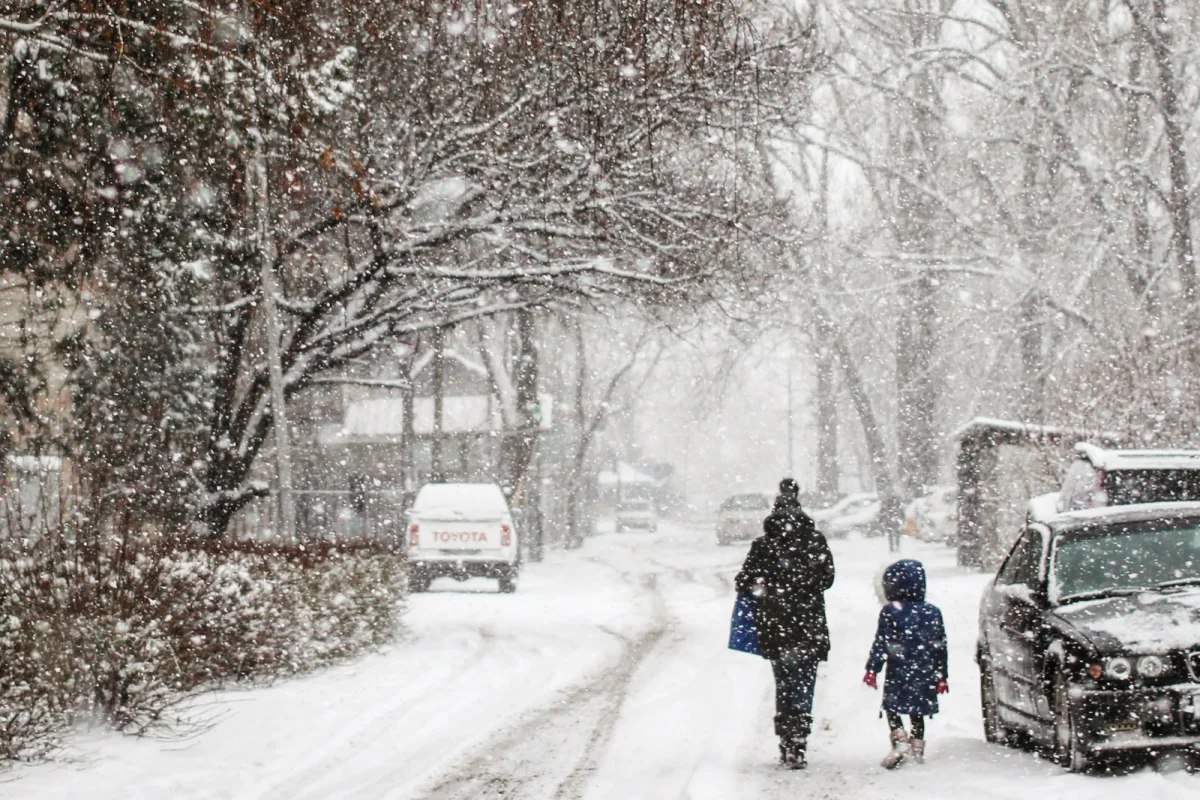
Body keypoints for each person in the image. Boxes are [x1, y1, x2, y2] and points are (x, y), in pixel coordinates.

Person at [735, 478, 836, 770]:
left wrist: (767, 588)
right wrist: (804, 585)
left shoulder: (764, 544)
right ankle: (799, 739)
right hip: (809, 624)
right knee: (804, 682)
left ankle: (786, 739)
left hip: (775, 624)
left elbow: (743, 581)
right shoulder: (815, 541)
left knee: (784, 683)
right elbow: (827, 578)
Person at [862, 559, 948, 769]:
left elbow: (882, 643)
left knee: (893, 706)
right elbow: (940, 646)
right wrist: (941, 674)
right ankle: (917, 747)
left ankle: (899, 738)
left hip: (899, 668)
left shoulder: (891, 611)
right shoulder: (933, 612)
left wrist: (872, 669)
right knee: (918, 710)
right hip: (925, 670)